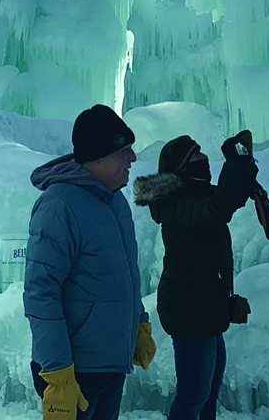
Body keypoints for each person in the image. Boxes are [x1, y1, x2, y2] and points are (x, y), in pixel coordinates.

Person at [23, 104, 157, 420]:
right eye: (124, 150)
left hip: (111, 362)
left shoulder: (116, 202)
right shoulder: (59, 205)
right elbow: (40, 293)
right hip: (74, 369)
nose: (133, 159)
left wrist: (137, 322)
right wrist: (56, 370)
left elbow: (125, 273)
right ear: (97, 156)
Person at [132, 132, 257, 420]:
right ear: (184, 167)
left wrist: (245, 169)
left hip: (205, 308)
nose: (204, 158)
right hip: (190, 310)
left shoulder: (195, 194)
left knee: (209, 392)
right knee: (193, 396)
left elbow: (228, 198)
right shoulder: (180, 202)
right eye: (197, 154)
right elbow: (218, 208)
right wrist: (233, 162)